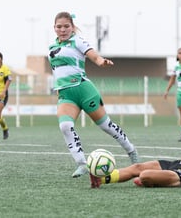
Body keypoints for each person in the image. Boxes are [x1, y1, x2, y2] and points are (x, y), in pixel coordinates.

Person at [48, 12, 139, 178]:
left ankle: (131, 151)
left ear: (72, 27)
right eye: (59, 27)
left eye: (66, 26)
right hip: (66, 95)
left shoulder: (78, 41)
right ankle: (82, 163)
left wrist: (101, 62)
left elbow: (94, 56)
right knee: (65, 126)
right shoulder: (52, 47)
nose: (63, 29)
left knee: (106, 125)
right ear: (54, 28)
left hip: (84, 90)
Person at [0, 51, 12, 142]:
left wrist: (4, 91)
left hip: (1, 95)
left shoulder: (4, 69)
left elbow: (9, 80)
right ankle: (5, 129)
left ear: (1, 59)